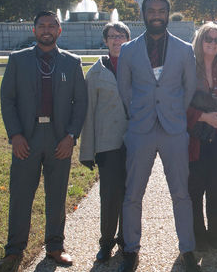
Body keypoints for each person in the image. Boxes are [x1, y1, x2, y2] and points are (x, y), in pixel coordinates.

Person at [116, 0, 200, 272]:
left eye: (161, 10)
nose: (156, 15)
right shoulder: (128, 50)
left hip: (174, 129)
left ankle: (187, 248)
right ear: (143, 14)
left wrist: (175, 112)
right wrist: (138, 113)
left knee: (181, 193)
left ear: (167, 14)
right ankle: (131, 249)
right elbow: (124, 89)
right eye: (150, 10)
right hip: (140, 129)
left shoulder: (184, 49)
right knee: (132, 193)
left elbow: (189, 89)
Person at [0, 11, 88, 271]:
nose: (47, 29)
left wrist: (71, 136)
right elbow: (8, 99)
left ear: (59, 30)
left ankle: (55, 247)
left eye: (52, 25)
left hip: (59, 139)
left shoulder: (72, 63)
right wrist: (14, 134)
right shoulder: (18, 60)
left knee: (57, 195)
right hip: (26, 138)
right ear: (34, 30)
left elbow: (80, 102)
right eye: (42, 26)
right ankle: (14, 251)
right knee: (21, 196)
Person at [79, 22, 130, 262]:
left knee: (131, 195)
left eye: (121, 36)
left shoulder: (137, 67)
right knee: (110, 195)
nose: (117, 40)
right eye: (112, 36)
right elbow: (88, 114)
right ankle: (106, 242)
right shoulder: (95, 73)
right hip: (108, 144)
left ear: (128, 39)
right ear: (106, 40)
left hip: (134, 142)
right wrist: (87, 151)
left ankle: (127, 239)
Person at [186, 22, 217, 251]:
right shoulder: (187, 68)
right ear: (200, 40)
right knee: (195, 189)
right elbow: (174, 103)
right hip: (194, 140)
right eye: (209, 38)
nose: (213, 43)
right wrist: (202, 117)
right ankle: (197, 236)